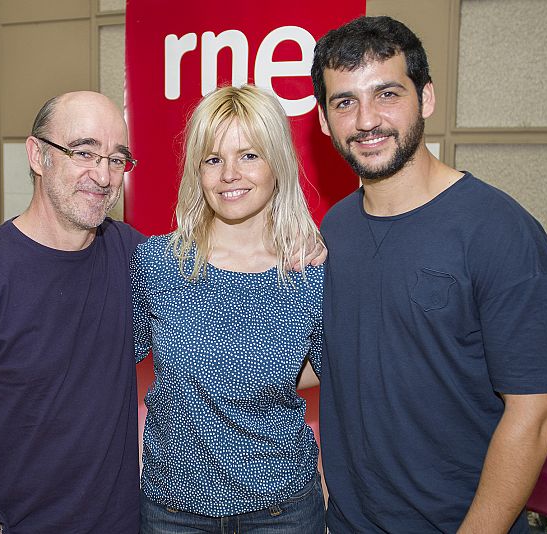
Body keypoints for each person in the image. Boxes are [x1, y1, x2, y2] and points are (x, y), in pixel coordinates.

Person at [311, 16, 547, 533]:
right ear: (322, 120)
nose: (366, 120)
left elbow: (534, 416)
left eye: (387, 94)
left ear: (425, 98)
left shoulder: (500, 230)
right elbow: (329, 359)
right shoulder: (333, 229)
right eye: (344, 102)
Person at [0, 91, 145, 533]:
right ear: (38, 155)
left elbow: (216, 279)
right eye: (84, 152)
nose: (103, 175)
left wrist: (291, 245)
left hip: (123, 522)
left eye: (117, 159)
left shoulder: (132, 254)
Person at [131, 84, 326, 533]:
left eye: (249, 155)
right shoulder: (157, 263)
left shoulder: (311, 271)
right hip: (172, 511)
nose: (229, 174)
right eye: (213, 159)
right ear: (196, 171)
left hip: (284, 511)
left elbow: (331, 369)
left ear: (278, 161)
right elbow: (106, 363)